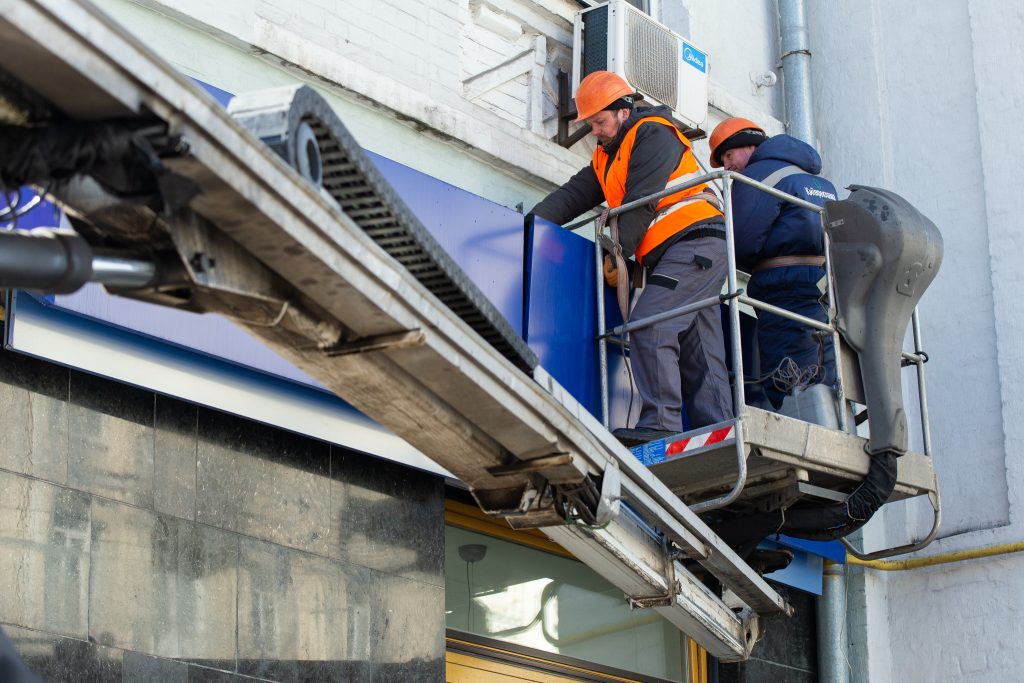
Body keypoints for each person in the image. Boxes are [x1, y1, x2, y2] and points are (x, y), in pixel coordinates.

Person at [530, 71, 733, 445]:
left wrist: (618, 252)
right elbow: (573, 196)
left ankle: (661, 424)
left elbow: (641, 202)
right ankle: (719, 433)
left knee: (650, 324)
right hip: (688, 251)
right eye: (590, 124)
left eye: (599, 121)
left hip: (695, 241)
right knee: (700, 351)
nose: (594, 131)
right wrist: (532, 222)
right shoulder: (607, 156)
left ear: (623, 111)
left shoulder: (652, 133)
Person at [708, 118, 839, 409]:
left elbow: (739, 241)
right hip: (823, 289)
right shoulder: (818, 182)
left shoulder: (757, 175)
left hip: (783, 290)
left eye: (728, 156)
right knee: (823, 372)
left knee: (788, 376)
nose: (727, 167)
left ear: (749, 146)